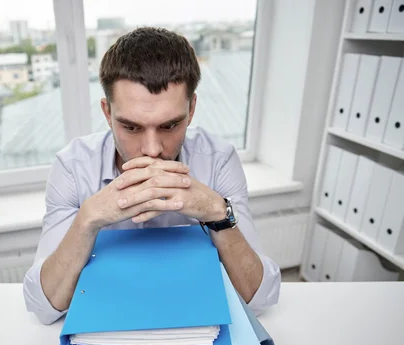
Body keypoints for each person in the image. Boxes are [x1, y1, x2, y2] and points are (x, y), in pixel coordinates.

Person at [23, 27, 280, 325]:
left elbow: (261, 298)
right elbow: (42, 307)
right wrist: (87, 219)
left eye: (169, 126)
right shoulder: (73, 166)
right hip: (108, 320)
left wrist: (217, 213)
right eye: (131, 127)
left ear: (192, 109)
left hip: (194, 320)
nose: (152, 150)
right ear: (107, 113)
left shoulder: (219, 160)